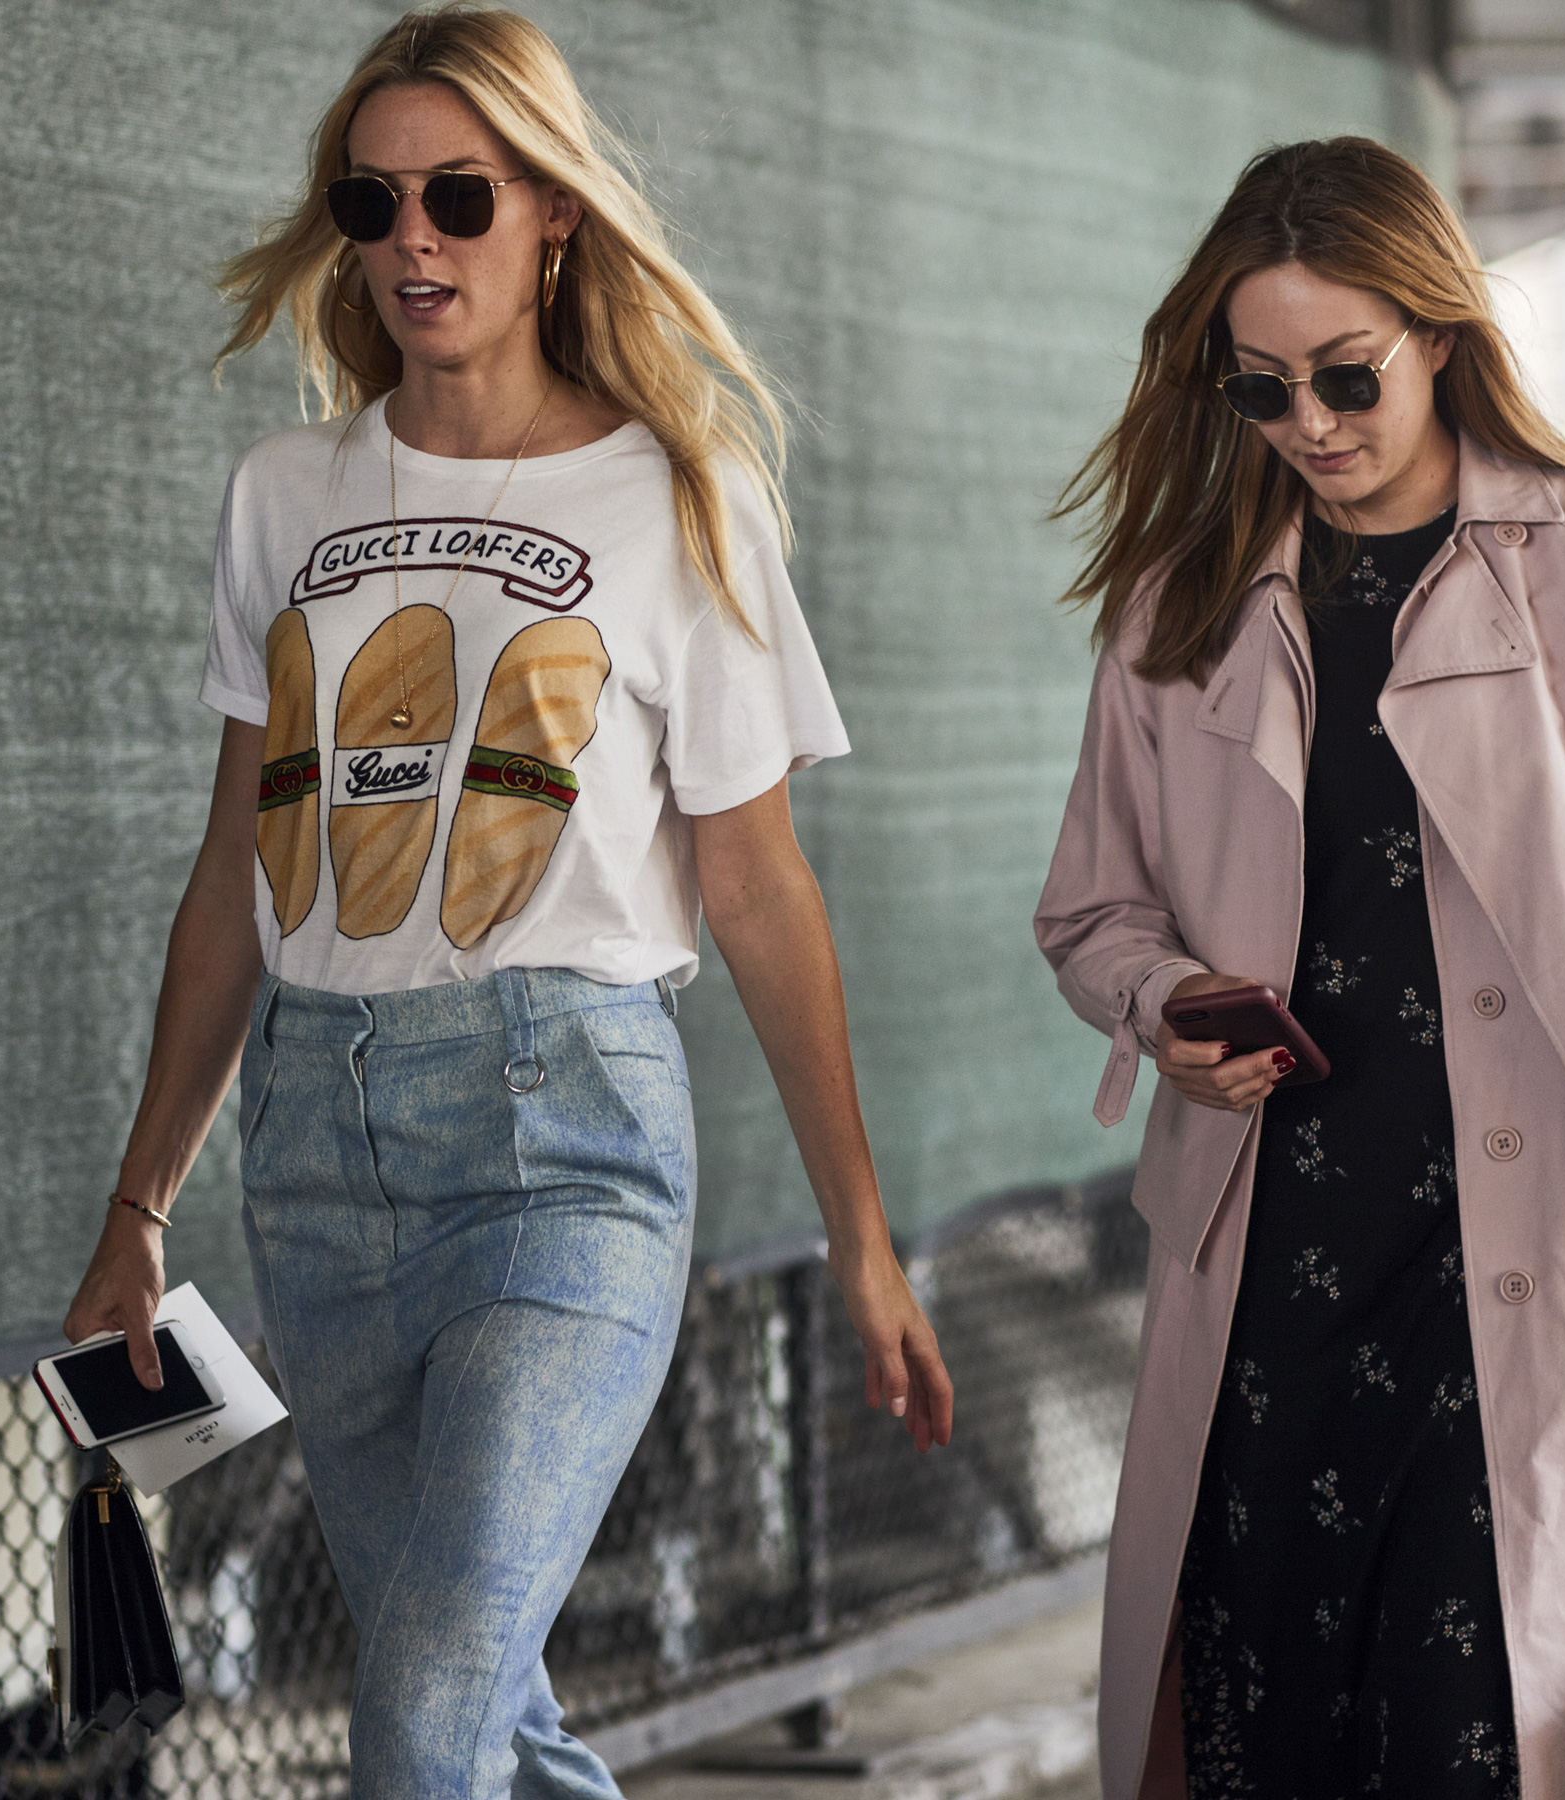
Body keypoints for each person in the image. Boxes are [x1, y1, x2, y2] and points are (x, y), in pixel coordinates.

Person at [60, 11, 953, 1795]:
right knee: (492, 1724)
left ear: (554, 213)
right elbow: (236, 869)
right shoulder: (283, 496)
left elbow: (759, 885)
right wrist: (139, 1206)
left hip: (569, 1140)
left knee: (423, 1709)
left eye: (459, 197)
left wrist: (859, 1231)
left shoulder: (678, 494)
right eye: (372, 201)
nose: (413, 240)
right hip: (319, 1154)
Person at [1034, 138, 1565, 1800]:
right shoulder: (1180, 603)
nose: (1309, 425)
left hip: (1518, 1260)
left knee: (1482, 1735)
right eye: (1261, 390)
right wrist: (1164, 1006)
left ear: (1440, 331)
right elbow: (1092, 911)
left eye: (1347, 375)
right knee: (1266, 1734)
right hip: (1265, 1266)